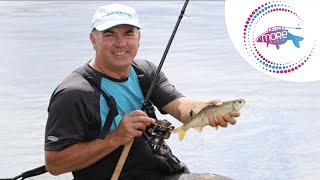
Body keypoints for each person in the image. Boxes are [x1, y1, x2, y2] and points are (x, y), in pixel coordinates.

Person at [44, 3, 241, 180]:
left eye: (128, 33)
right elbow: (54, 164)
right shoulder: (73, 94)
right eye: (109, 34)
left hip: (166, 173)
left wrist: (204, 109)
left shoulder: (144, 72)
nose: (121, 43)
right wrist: (115, 138)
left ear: (139, 38)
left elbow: (180, 106)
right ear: (93, 40)